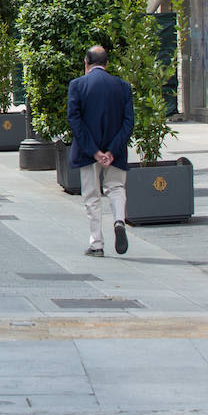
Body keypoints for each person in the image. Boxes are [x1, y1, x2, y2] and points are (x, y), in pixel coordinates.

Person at [67, 45, 135, 257]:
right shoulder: (122, 86)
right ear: (107, 63)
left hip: (88, 151)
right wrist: (112, 150)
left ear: (86, 63)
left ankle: (96, 243)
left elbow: (75, 120)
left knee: (92, 195)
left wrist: (94, 151)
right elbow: (128, 122)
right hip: (116, 150)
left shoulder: (77, 85)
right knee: (116, 187)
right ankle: (119, 220)